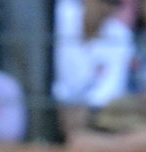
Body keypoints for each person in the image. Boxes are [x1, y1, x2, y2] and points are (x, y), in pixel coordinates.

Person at [54, 0, 135, 137]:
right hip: (55, 103)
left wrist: (86, 107)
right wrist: (65, 101)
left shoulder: (121, 35)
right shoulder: (61, 16)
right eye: (101, 2)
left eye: (111, 3)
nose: (105, 8)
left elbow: (113, 86)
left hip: (95, 111)